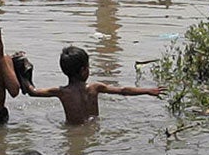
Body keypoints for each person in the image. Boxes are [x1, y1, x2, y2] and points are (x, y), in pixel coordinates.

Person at [24, 44, 163, 124]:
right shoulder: (94, 88)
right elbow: (123, 90)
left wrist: (22, 72)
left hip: (73, 130)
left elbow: (32, 91)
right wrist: (147, 90)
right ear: (84, 70)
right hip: (94, 127)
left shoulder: (61, 92)